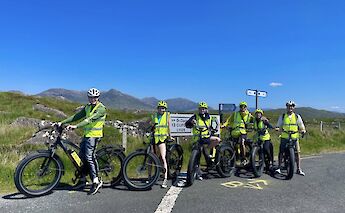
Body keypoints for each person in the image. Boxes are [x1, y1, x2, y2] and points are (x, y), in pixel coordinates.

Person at [60, 88, 106, 195]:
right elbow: (76, 116)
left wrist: (76, 126)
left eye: (95, 97)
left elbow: (89, 120)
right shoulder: (88, 107)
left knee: (89, 157)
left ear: (98, 97)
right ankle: (83, 180)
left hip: (94, 136)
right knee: (81, 156)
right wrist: (62, 122)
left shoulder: (101, 109)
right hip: (86, 135)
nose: (92, 99)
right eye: (90, 97)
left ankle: (96, 180)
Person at [185, 102, 221, 180]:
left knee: (217, 140)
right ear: (199, 109)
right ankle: (197, 171)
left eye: (204, 109)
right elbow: (187, 124)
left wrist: (213, 128)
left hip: (206, 138)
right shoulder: (195, 117)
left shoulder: (209, 117)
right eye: (201, 108)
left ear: (206, 110)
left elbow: (214, 126)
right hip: (197, 139)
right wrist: (191, 122)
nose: (202, 110)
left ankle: (209, 150)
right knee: (198, 155)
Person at [275, 101, 306, 176]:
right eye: (288, 106)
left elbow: (301, 125)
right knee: (281, 151)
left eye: (292, 106)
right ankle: (279, 167)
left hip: (294, 137)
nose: (290, 107)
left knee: (297, 152)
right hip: (284, 136)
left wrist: (303, 130)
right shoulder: (282, 116)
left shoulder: (297, 116)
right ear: (286, 107)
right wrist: (277, 128)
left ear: (294, 107)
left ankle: (299, 169)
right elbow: (278, 125)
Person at [147, 100, 172, 188]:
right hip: (154, 139)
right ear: (157, 109)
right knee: (150, 159)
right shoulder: (154, 115)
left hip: (162, 139)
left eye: (164, 108)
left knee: (162, 157)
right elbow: (149, 124)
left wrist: (170, 136)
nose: (162, 110)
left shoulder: (167, 116)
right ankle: (149, 177)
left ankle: (165, 178)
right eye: (161, 108)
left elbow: (169, 126)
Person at [221, 101, 254, 165]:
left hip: (242, 132)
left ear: (246, 107)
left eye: (244, 106)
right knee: (232, 145)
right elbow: (228, 120)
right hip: (234, 132)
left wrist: (262, 120)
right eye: (241, 106)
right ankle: (235, 158)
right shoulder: (235, 114)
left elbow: (255, 120)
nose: (243, 108)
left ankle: (243, 159)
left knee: (242, 142)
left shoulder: (249, 115)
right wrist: (224, 125)